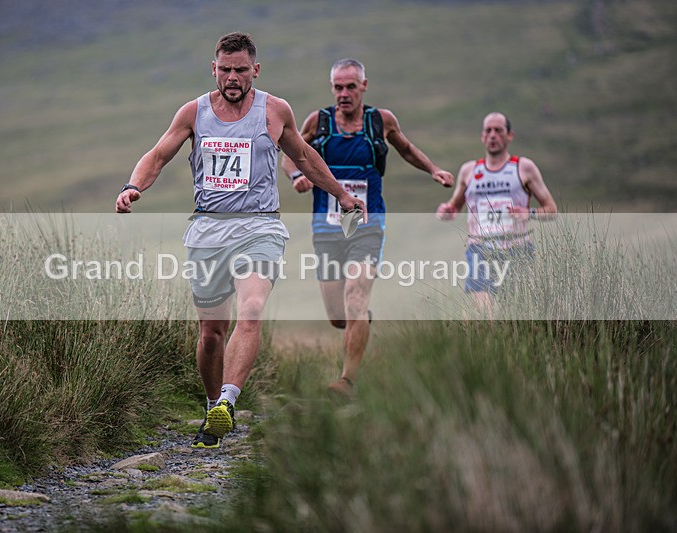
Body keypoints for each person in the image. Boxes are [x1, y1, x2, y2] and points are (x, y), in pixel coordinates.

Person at [116, 33, 364, 448]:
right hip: (208, 230)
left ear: (255, 71)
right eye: (225, 70)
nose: (233, 78)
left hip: (259, 227)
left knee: (250, 310)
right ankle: (212, 405)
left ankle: (228, 401)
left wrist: (340, 194)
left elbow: (304, 158)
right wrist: (133, 186)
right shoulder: (194, 112)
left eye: (241, 70)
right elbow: (158, 155)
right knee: (212, 331)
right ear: (214, 69)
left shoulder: (275, 110)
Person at [282, 58, 453, 397]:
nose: (344, 94)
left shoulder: (380, 121)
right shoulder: (319, 122)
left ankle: (346, 380)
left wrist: (433, 169)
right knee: (337, 315)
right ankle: (359, 324)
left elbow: (405, 148)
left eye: (350, 86)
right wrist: (297, 175)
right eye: (338, 87)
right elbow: (290, 152)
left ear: (364, 85)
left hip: (367, 225)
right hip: (327, 229)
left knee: (355, 299)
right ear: (332, 88)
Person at [436, 112, 557, 313]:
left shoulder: (523, 168)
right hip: (480, 249)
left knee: (517, 312)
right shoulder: (469, 170)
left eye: (498, 131)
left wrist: (530, 213)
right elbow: (454, 207)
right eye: (488, 131)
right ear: (482, 137)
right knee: (485, 313)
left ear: (509, 135)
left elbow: (551, 209)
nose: (493, 135)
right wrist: (446, 211)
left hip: (516, 249)